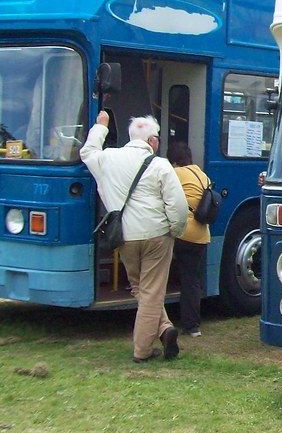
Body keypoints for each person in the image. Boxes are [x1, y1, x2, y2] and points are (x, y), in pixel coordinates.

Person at [81, 112, 188, 362]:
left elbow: (87, 153)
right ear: (153, 141)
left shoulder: (107, 158)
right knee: (151, 291)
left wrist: (100, 127)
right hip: (157, 235)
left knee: (140, 287)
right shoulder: (160, 164)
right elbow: (178, 205)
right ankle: (142, 350)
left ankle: (164, 329)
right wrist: (176, 230)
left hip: (124, 236)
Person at [168, 142, 211, 338]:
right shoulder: (202, 175)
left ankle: (158, 321)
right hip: (201, 235)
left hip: (181, 232)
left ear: (174, 160)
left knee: (159, 274)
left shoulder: (175, 174)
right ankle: (192, 326)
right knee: (191, 280)